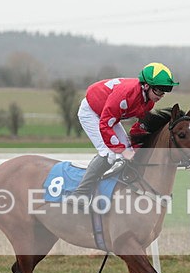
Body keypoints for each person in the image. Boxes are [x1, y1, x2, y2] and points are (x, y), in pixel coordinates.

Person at [65, 62, 179, 206]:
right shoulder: (126, 94)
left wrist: (136, 150)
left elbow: (137, 129)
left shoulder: (149, 102)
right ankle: (80, 194)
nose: (161, 95)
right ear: (146, 86)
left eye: (164, 92)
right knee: (108, 153)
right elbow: (105, 124)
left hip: (108, 115)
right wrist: (121, 150)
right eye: (159, 91)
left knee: (129, 152)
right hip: (92, 113)